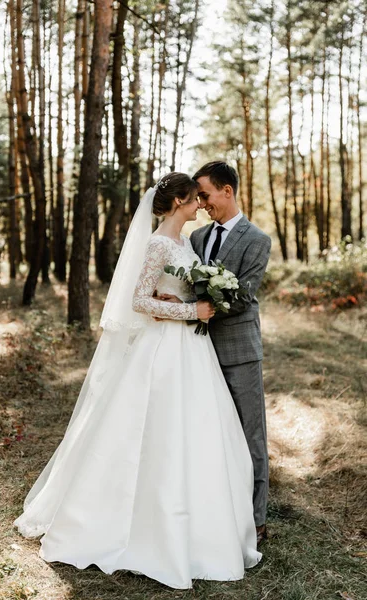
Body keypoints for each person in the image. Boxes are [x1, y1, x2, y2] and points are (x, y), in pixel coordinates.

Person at [14, 172, 261, 590]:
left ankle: (207, 522)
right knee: (152, 431)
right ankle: (131, 524)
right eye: (195, 198)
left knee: (198, 431)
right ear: (180, 200)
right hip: (162, 348)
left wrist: (190, 303)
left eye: (204, 197)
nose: (201, 203)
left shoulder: (186, 242)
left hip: (191, 350)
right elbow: (138, 300)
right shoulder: (159, 243)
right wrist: (188, 312)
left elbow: (175, 292)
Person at [191, 161, 271, 545]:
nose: (202, 203)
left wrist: (201, 300)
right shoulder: (197, 237)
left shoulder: (257, 239)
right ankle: (216, 511)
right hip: (197, 351)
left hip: (239, 350)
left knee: (250, 434)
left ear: (227, 190)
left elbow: (244, 294)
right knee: (209, 433)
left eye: (205, 194)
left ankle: (255, 519)